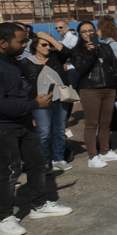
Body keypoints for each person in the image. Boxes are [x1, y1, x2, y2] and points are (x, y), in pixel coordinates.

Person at [0, 23, 73, 235]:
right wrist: (34, 105)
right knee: (10, 171)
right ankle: (4, 218)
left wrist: (28, 104)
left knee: (37, 163)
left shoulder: (10, 61)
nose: (26, 45)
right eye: (21, 41)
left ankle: (39, 204)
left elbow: (21, 89)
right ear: (3, 42)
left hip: (21, 122)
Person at [68, 21, 117, 168]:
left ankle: (105, 152)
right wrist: (90, 51)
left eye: (90, 30)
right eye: (84, 31)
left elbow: (115, 67)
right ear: (80, 35)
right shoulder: (77, 50)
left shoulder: (105, 47)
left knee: (106, 122)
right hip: (90, 89)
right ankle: (92, 157)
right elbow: (81, 68)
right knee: (91, 124)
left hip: (109, 88)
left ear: (95, 31)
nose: (88, 34)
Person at [17, 31, 72, 173]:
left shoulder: (56, 58)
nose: (48, 47)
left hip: (61, 99)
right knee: (43, 132)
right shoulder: (25, 63)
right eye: (44, 44)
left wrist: (49, 38)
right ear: (35, 46)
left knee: (59, 130)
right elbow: (20, 85)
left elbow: (67, 51)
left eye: (50, 45)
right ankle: (44, 162)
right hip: (40, 103)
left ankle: (59, 159)